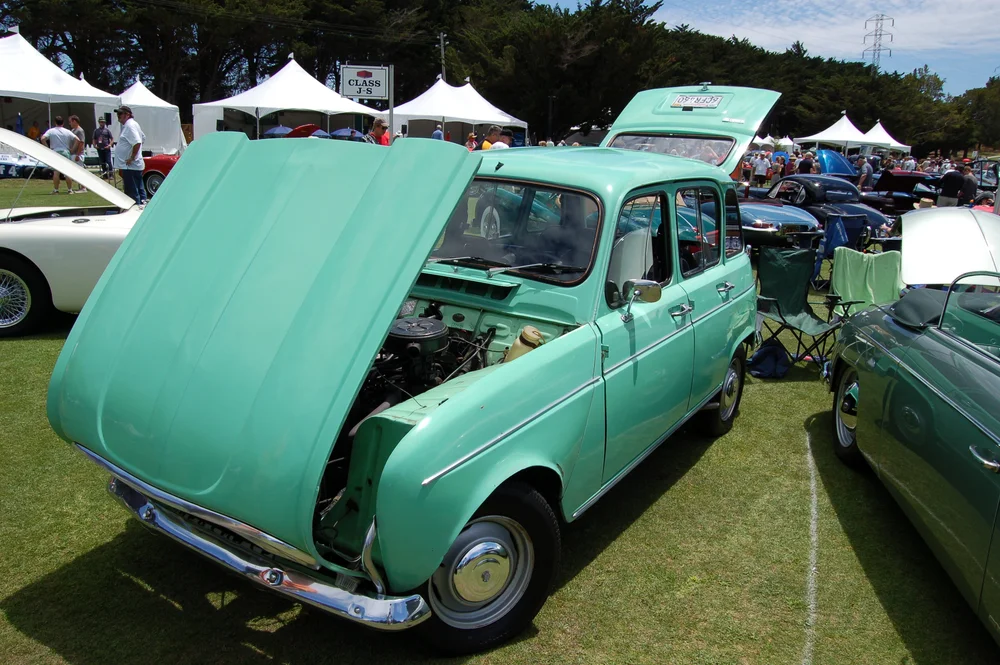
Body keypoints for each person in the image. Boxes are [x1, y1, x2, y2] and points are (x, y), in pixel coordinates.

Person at [113, 105, 146, 206]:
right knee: (139, 189)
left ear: (127, 115)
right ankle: (142, 206)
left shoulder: (129, 125)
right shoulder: (133, 124)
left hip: (130, 165)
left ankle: (135, 210)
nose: (118, 117)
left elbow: (137, 142)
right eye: (117, 114)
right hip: (133, 165)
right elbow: (143, 138)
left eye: (120, 114)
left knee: (132, 193)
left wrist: (132, 157)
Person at [40, 116, 81, 194]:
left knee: (56, 172)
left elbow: (43, 138)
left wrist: (47, 148)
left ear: (55, 122)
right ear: (63, 123)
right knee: (67, 172)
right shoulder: (67, 131)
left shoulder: (51, 131)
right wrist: (72, 149)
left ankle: (56, 190)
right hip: (65, 152)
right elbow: (77, 140)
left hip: (55, 152)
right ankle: (70, 190)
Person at [68, 115, 87, 192]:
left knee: (80, 171)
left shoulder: (80, 130)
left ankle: (83, 187)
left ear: (74, 121)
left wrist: (78, 154)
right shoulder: (73, 130)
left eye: (70, 122)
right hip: (73, 153)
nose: (70, 123)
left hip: (77, 154)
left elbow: (81, 142)